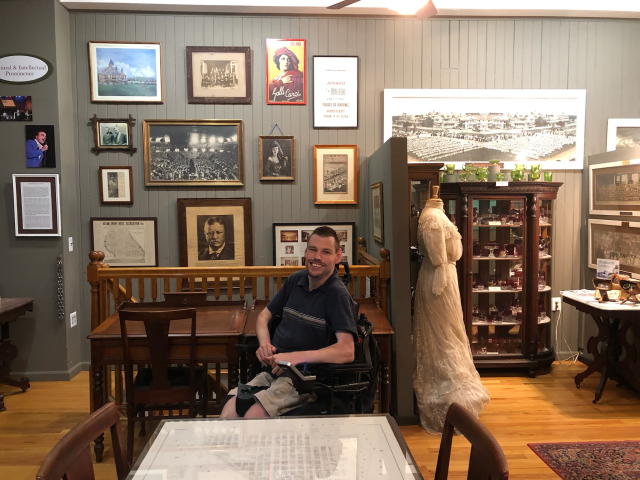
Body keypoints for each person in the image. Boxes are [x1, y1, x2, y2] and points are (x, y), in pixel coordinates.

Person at [220, 226, 358, 418]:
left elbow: (347, 351)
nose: (317, 257)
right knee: (230, 410)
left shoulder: (337, 295)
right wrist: (265, 344)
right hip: (272, 374)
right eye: (312, 249)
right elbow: (263, 316)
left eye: (325, 252)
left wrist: (294, 357)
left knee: (252, 416)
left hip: (302, 383)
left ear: (337, 256)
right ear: (306, 251)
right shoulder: (296, 280)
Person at [413, 189, 489, 434]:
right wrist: (444, 270)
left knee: (449, 330)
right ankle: (448, 391)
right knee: (442, 333)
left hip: (442, 275)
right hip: (439, 278)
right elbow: (438, 256)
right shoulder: (433, 219)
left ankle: (452, 388)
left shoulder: (434, 215)